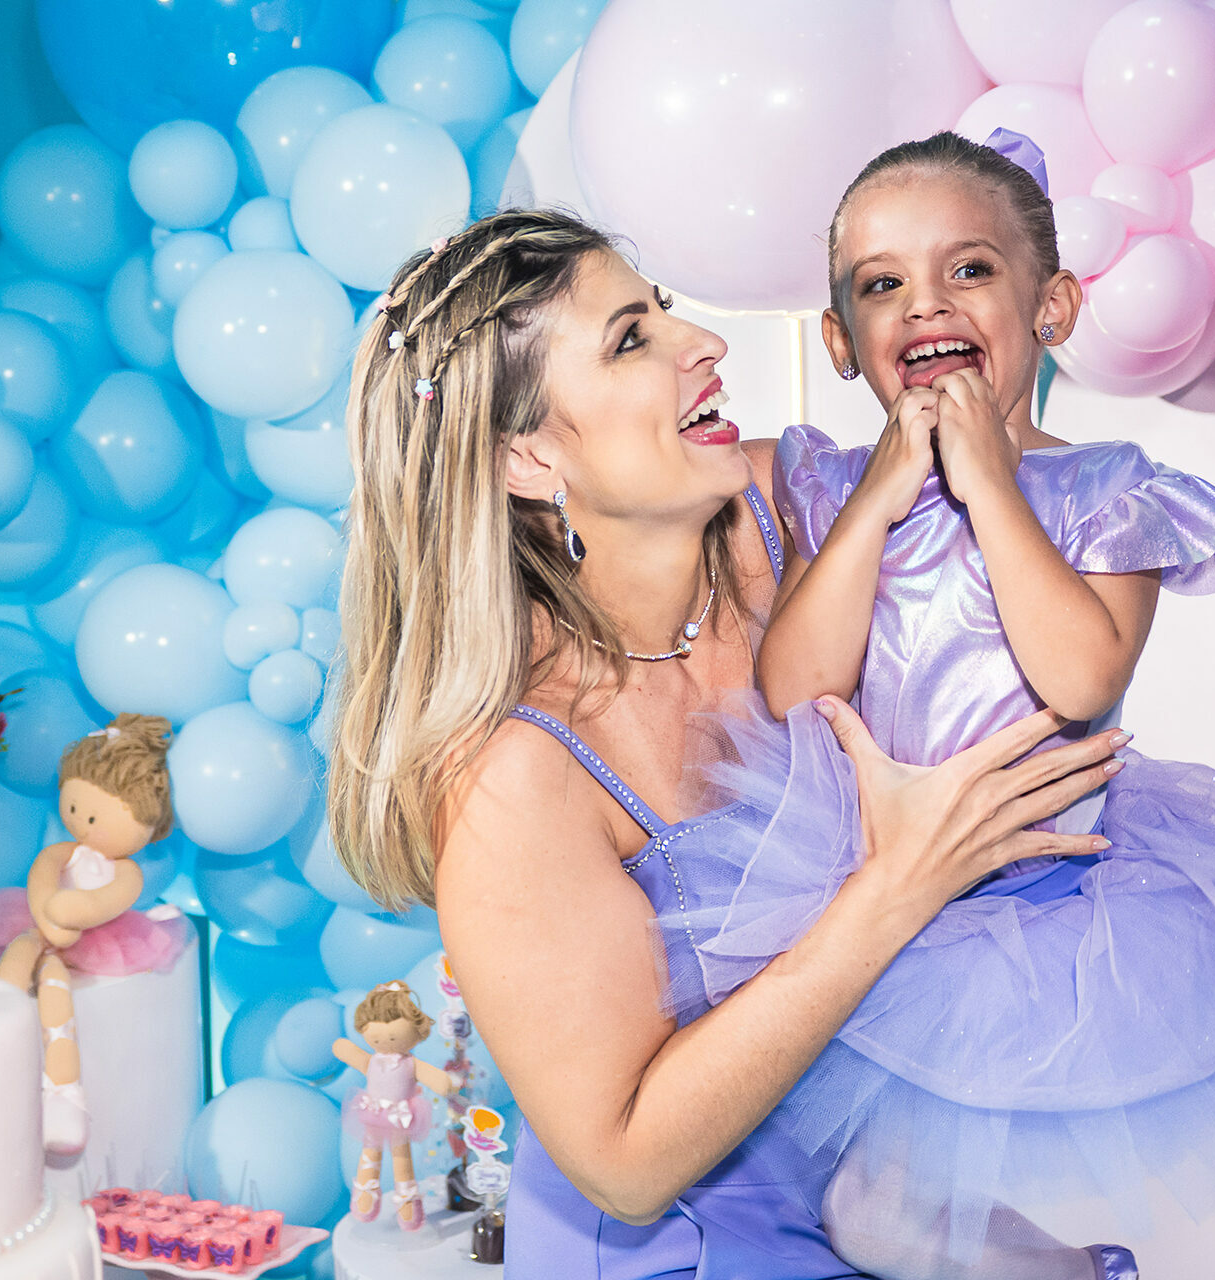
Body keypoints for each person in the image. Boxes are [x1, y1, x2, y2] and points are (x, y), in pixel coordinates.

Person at [328, 208, 1130, 1279]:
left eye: (661, 309)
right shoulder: (514, 769)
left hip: (885, 1215)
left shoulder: (788, 510)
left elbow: (1017, 472)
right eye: (631, 339)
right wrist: (899, 884)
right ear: (528, 454)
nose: (701, 342)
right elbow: (624, 1164)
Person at [662, 131, 1215, 1276]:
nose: (925, 303)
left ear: (1054, 306)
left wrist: (987, 480)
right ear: (840, 343)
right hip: (869, 883)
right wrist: (880, 498)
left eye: (969, 268)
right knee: (873, 1211)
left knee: (889, 1214)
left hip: (1038, 901)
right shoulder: (833, 485)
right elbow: (793, 685)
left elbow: (1081, 677)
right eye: (882, 284)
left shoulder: (1106, 489)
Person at [0, 712, 189, 1155]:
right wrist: (49, 912)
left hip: (98, 938)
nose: (80, 821)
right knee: (17, 956)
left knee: (54, 982)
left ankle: (64, 1094)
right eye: (74, 808)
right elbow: (42, 876)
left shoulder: (128, 872)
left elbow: (104, 902)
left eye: (94, 815)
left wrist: (69, 911)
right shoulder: (64, 850)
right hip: (40, 924)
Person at [332, 981, 459, 1231]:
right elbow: (350, 1054)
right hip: (373, 1112)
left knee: (402, 1158)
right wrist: (343, 1048)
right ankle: (366, 1193)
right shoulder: (372, 1060)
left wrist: (444, 1082)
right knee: (370, 1152)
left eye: (393, 1028)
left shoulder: (410, 1063)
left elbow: (436, 1079)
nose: (385, 1037)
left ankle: (407, 1200)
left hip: (401, 1115)